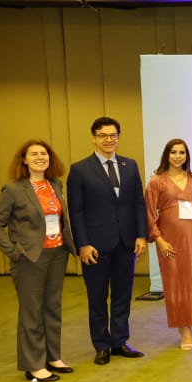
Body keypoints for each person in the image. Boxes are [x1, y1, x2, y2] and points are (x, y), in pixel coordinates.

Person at [0, 140, 77, 381]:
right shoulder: (13, 190)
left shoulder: (55, 184)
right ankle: (34, 364)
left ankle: (52, 356)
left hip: (57, 253)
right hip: (30, 258)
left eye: (44, 153)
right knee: (32, 311)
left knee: (52, 307)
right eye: (34, 154)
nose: (40, 157)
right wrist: (14, 252)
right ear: (24, 160)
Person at [68, 116, 148, 364]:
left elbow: (138, 203)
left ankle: (120, 341)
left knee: (123, 295)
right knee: (97, 298)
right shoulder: (80, 169)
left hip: (126, 242)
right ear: (94, 138)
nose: (108, 140)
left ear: (118, 137)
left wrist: (141, 235)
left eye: (113, 135)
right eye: (103, 135)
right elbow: (76, 211)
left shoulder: (129, 165)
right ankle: (102, 345)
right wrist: (83, 244)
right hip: (95, 245)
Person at [145, 139, 192, 350]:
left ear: (187, 156)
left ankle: (190, 324)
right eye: (173, 152)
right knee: (175, 284)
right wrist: (159, 239)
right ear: (167, 155)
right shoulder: (157, 181)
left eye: (182, 152)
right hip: (169, 240)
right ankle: (185, 330)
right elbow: (149, 213)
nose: (178, 156)